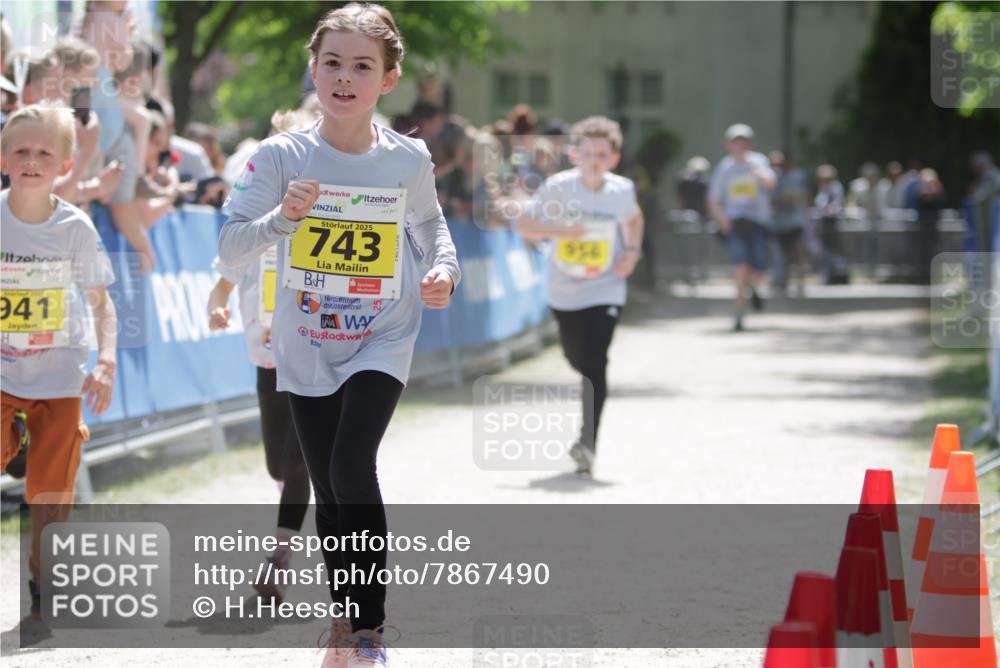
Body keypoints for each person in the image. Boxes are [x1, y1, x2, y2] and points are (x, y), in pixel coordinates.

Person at [217, 5, 460, 666]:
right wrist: (281, 218)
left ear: (388, 79)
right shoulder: (279, 155)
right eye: (332, 63)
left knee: (354, 465)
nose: (345, 78)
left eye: (362, 66)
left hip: (383, 331)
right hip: (305, 336)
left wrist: (443, 268)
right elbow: (230, 244)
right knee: (327, 483)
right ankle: (343, 624)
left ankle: (368, 630)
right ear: (313, 69)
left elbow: (431, 226)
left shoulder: (407, 158)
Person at [0, 104, 117, 618]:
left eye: (43, 152)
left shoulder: (75, 227)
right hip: (2, 371)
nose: (31, 160)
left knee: (51, 489)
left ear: (65, 166)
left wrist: (107, 360)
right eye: (21, 150)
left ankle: (42, 577)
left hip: (58, 374)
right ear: (3, 158)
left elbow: (101, 301)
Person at [516, 115, 643, 476]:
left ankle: (588, 443)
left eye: (602, 154)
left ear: (613, 159)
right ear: (575, 154)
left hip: (606, 287)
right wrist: (561, 230)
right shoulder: (559, 187)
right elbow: (525, 224)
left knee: (596, 362)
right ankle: (585, 433)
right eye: (588, 153)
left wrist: (630, 253)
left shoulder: (621, 191)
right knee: (577, 358)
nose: (594, 160)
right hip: (565, 289)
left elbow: (634, 220)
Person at [707, 123, 776, 331]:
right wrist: (723, 220)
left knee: (758, 271)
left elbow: (771, 184)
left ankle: (754, 288)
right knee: (741, 267)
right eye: (735, 141)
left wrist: (752, 168)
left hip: (758, 223)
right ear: (728, 144)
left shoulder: (759, 162)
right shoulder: (724, 168)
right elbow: (713, 200)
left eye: (743, 141)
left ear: (750, 144)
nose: (739, 145)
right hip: (736, 224)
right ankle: (738, 314)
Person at [768, 151, 809, 295]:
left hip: (795, 222)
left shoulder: (798, 176)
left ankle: (801, 283)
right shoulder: (772, 178)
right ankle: (782, 282)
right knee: (782, 255)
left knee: (798, 254)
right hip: (779, 224)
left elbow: (803, 197)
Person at [814, 164, 846, 284]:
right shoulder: (822, 189)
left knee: (833, 251)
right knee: (825, 251)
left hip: (833, 223)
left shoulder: (835, 188)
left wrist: (827, 210)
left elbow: (836, 205)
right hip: (823, 224)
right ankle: (827, 276)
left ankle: (835, 276)